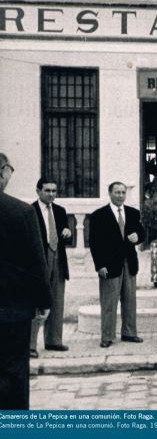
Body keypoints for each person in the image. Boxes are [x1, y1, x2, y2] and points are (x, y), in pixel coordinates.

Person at [0, 153, 50, 410]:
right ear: (3, 173)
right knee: (14, 375)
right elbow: (37, 265)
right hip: (12, 312)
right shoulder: (21, 212)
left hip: (12, 310)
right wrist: (43, 302)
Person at [89, 181, 145, 348]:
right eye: (117, 192)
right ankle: (107, 336)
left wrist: (138, 236)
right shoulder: (99, 215)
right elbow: (94, 243)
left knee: (130, 301)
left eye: (123, 193)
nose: (121, 196)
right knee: (109, 302)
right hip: (109, 264)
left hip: (129, 263)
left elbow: (141, 233)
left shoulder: (133, 213)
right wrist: (99, 265)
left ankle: (129, 333)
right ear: (110, 193)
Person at [30, 178, 71, 358]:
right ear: (38, 191)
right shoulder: (29, 211)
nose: (52, 194)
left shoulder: (60, 211)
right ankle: (30, 345)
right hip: (39, 259)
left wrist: (68, 232)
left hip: (58, 259)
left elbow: (64, 234)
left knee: (57, 300)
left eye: (54, 191)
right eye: (47, 190)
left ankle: (54, 340)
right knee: (36, 301)